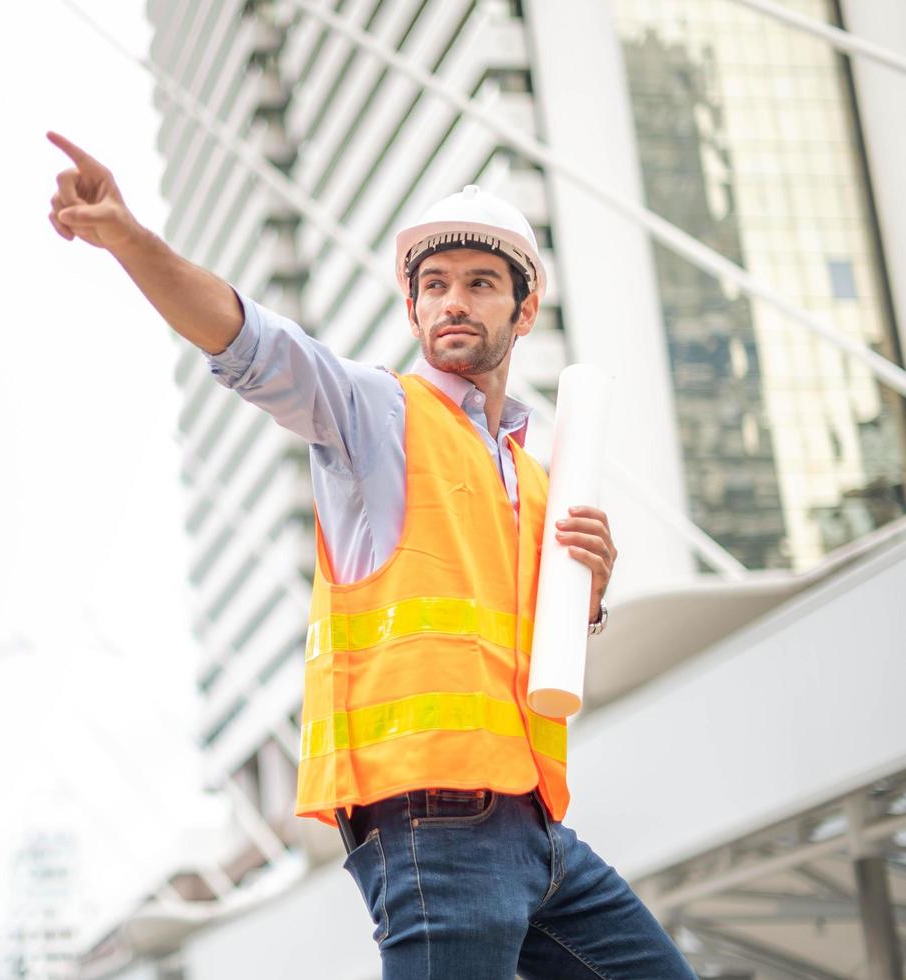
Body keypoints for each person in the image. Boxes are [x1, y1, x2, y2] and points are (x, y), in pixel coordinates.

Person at [46, 130, 694, 979]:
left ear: (522, 311)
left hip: (537, 831)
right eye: (433, 287)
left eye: (479, 284)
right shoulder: (376, 417)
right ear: (412, 309)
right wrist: (129, 240)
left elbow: (529, 653)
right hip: (431, 824)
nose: (452, 301)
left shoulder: (536, 478)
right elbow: (249, 341)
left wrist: (588, 593)